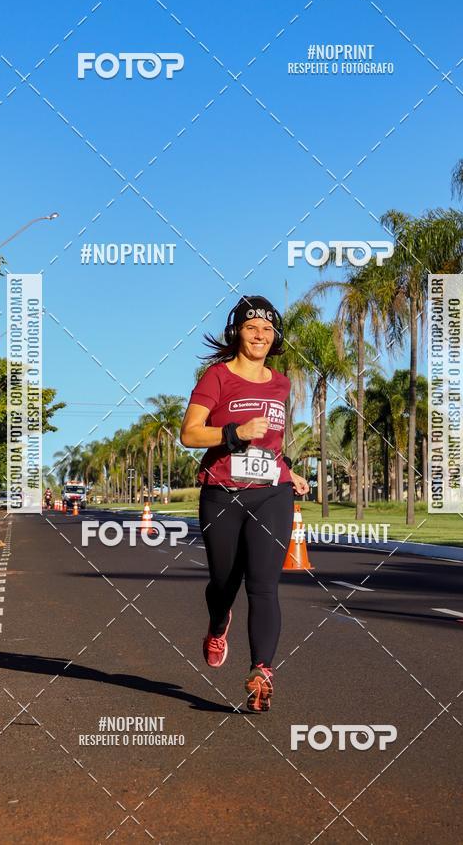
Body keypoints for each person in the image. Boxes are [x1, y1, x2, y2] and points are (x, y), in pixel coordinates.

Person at [180, 295, 309, 712]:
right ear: (236, 332)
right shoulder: (217, 377)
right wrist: (233, 432)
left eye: (267, 329)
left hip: (272, 493)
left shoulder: (281, 383)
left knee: (263, 585)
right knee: (223, 583)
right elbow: (190, 433)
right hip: (222, 492)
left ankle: (261, 672)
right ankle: (218, 624)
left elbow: (271, 444)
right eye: (252, 327)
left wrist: (288, 470)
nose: (260, 335)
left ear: (276, 337)